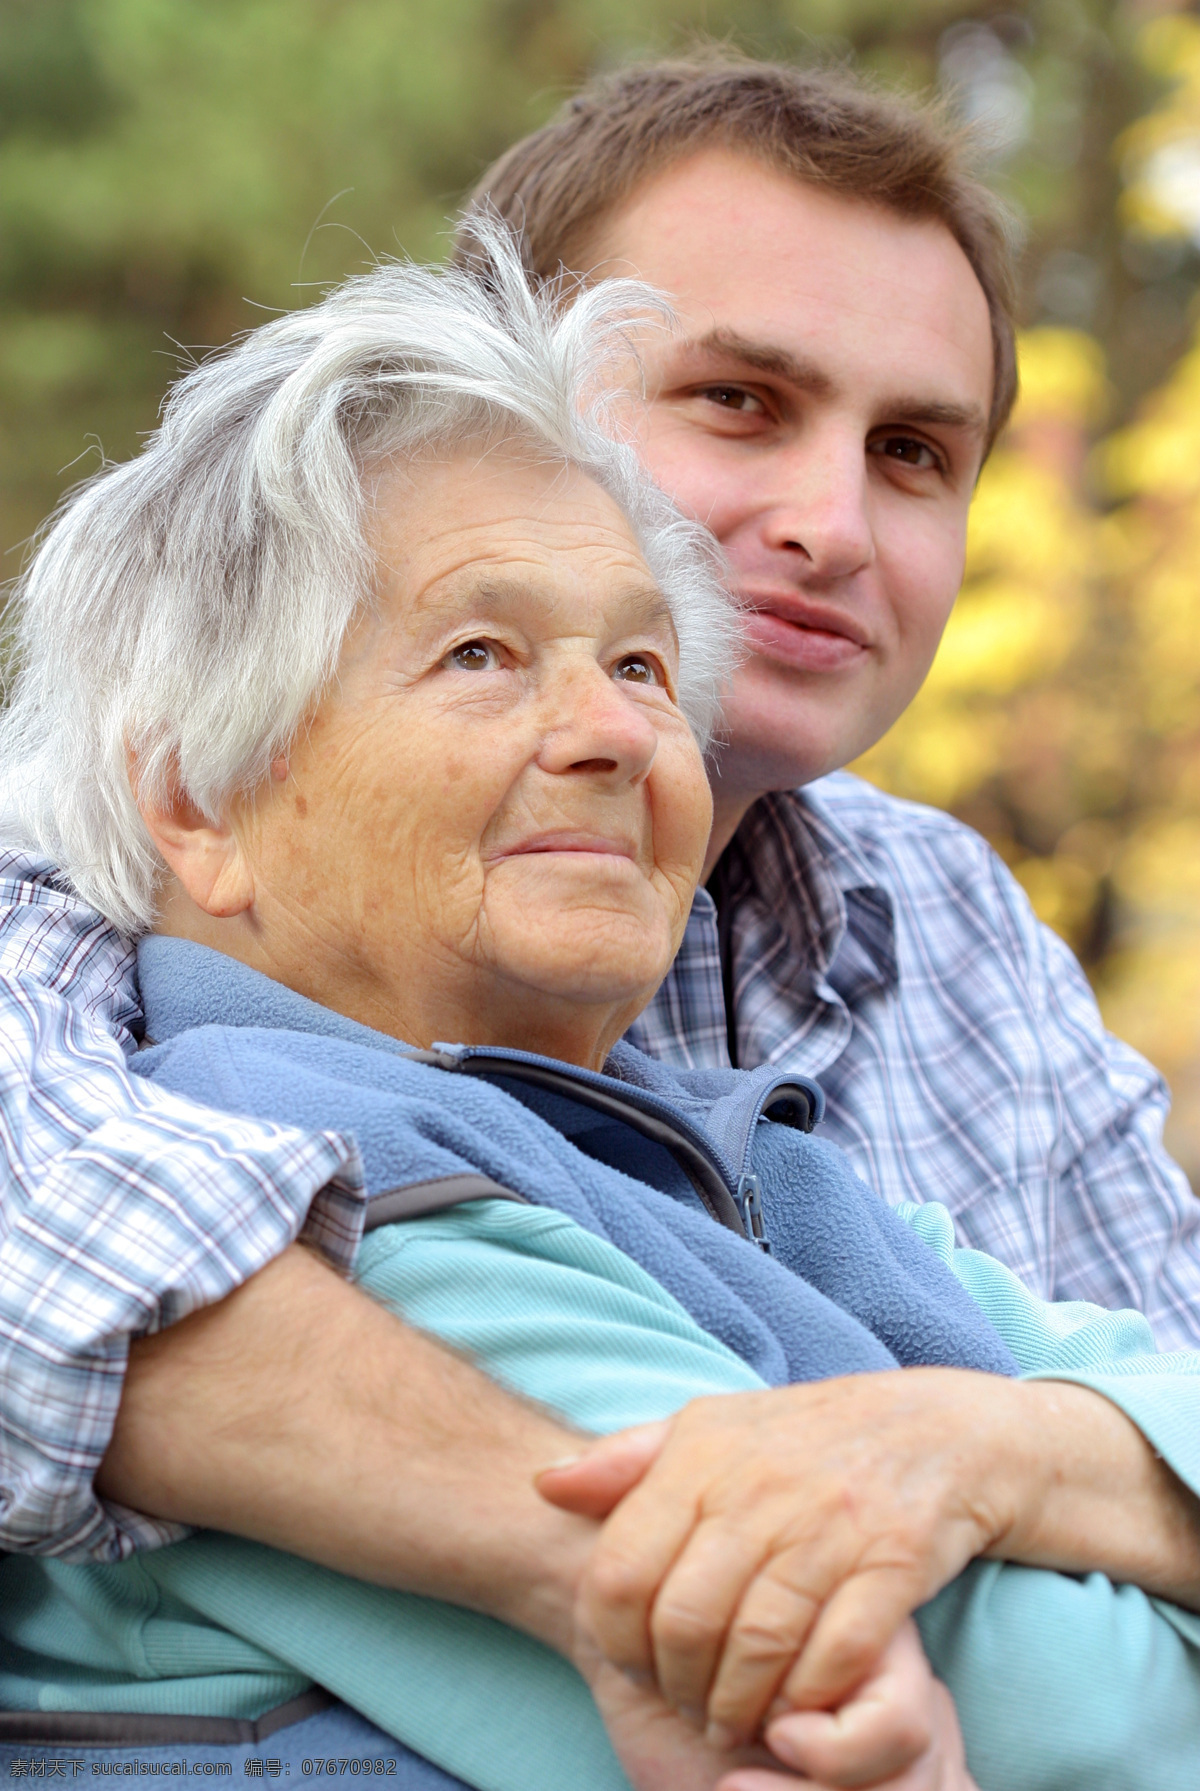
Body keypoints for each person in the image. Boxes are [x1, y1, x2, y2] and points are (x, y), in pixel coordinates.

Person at [1, 43, 1198, 1772]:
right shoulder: (251, 1102)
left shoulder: (914, 951)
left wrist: (962, 1453)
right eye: (738, 400)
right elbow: (1034, 1714)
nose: (833, 523)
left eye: (920, 452)